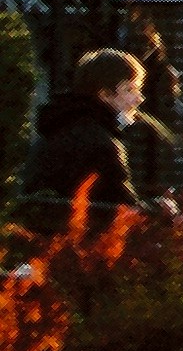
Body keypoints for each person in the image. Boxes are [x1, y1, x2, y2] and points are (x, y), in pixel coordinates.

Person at [25, 49, 159, 227]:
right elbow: (124, 211)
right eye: (129, 89)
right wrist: (158, 211)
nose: (139, 99)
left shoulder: (59, 126)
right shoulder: (101, 143)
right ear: (104, 95)